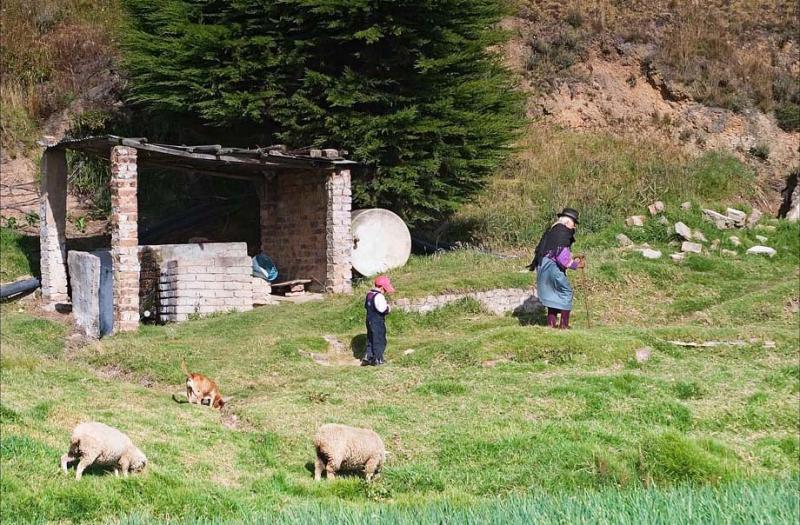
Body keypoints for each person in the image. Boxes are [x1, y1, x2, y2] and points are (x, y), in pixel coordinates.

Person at [527, 208, 585, 329]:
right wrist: (576, 265)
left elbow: (551, 250)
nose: (574, 227)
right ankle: (564, 325)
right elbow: (561, 257)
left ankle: (551, 325)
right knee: (566, 292)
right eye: (574, 223)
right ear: (568, 222)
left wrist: (571, 257)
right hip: (553, 268)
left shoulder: (552, 230)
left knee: (552, 293)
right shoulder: (562, 232)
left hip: (543, 266)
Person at [362, 275, 395, 366]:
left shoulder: (369, 294)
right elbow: (382, 309)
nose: (385, 291)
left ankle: (368, 357)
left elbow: (367, 306)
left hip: (369, 320)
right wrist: (388, 308)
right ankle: (378, 359)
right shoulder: (379, 296)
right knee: (379, 339)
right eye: (385, 289)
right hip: (377, 321)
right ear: (381, 287)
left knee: (370, 338)